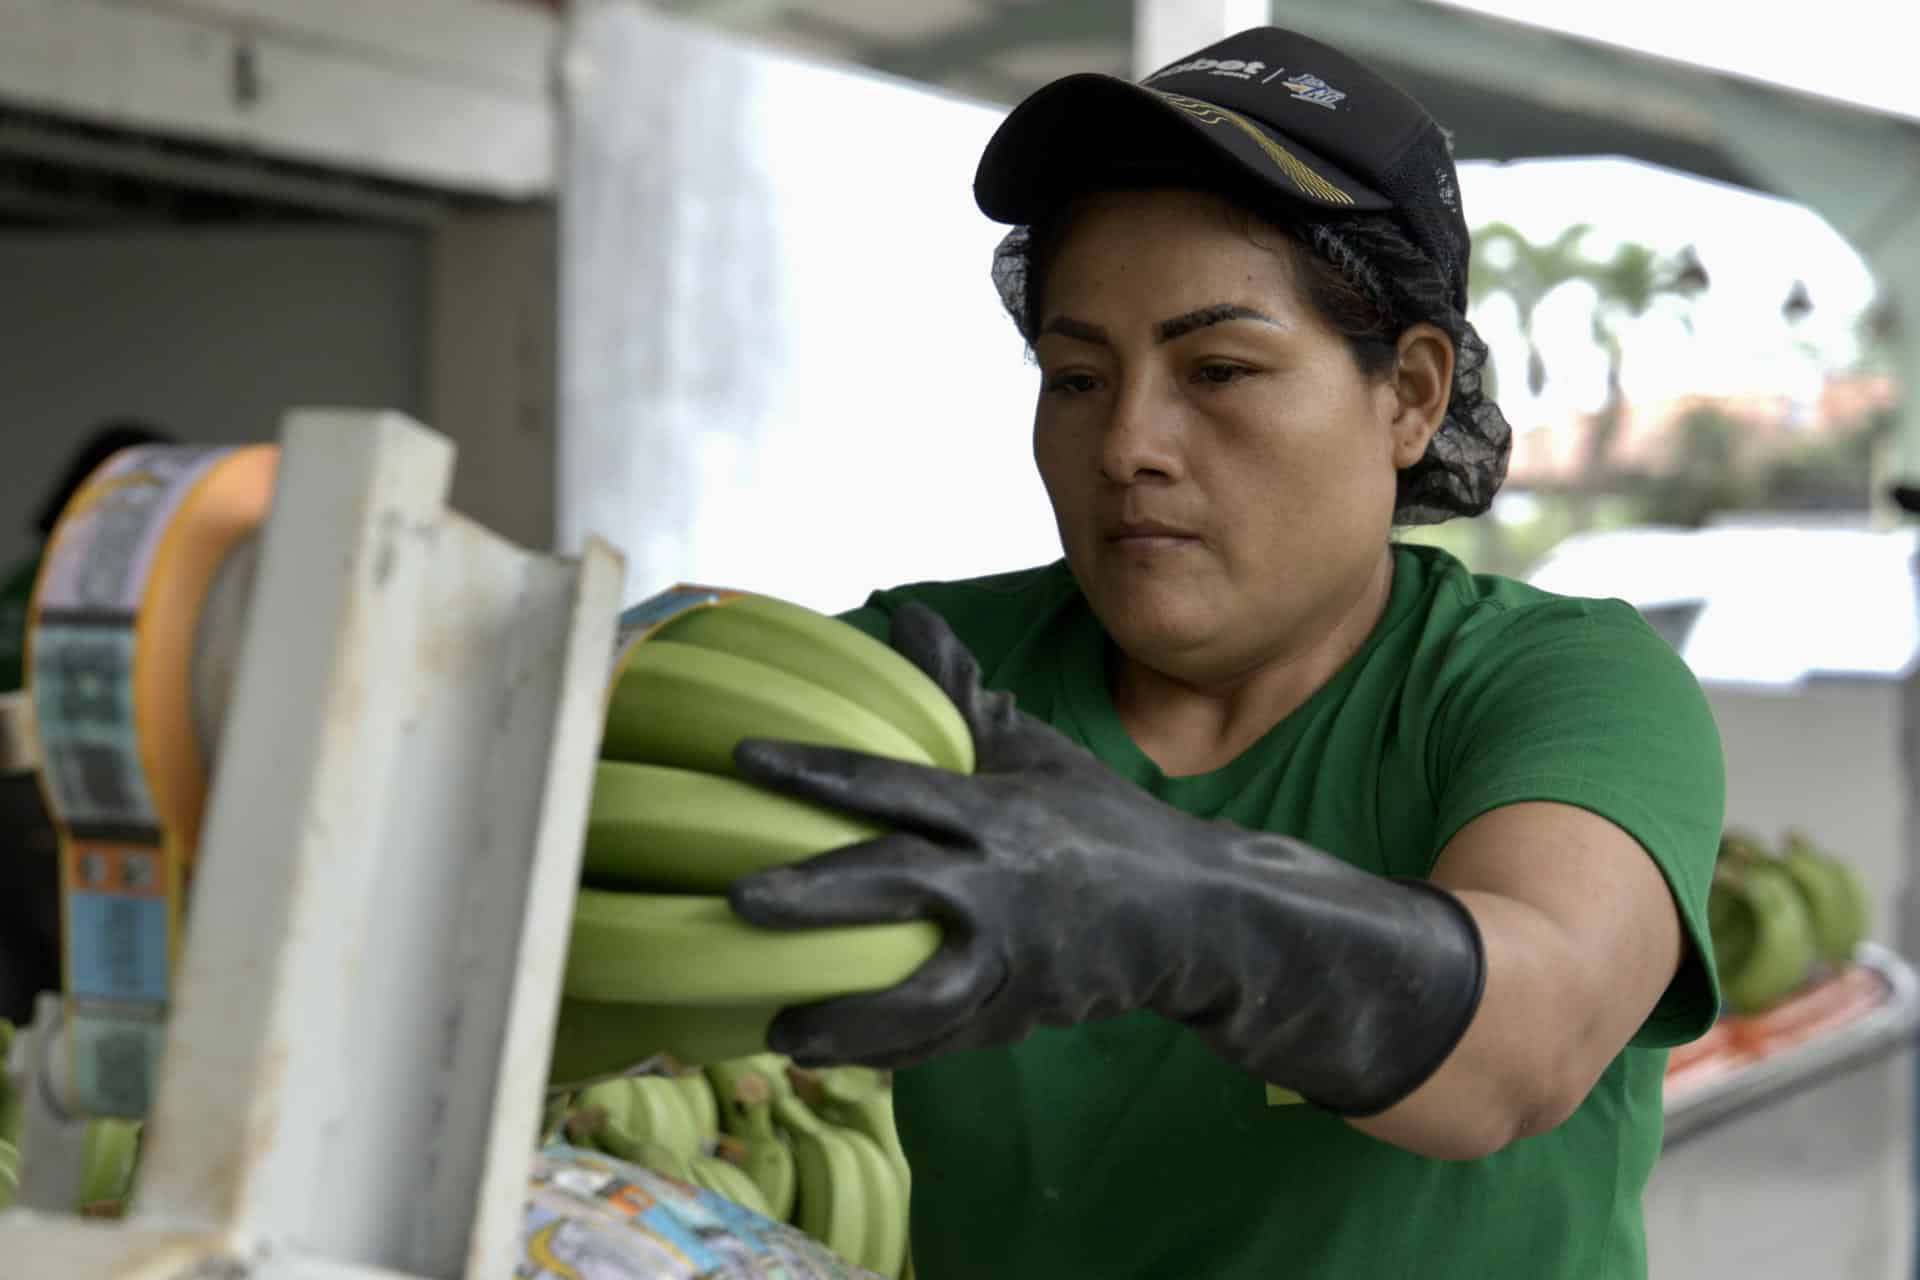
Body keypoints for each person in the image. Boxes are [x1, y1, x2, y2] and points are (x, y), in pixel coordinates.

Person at [726, 27, 1724, 1278]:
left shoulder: (1557, 685)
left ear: (1410, 394)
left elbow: (1522, 1045)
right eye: (1078, 376)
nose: (1129, 441)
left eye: (1220, 367)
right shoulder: (924, 675)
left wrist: (1179, 912)